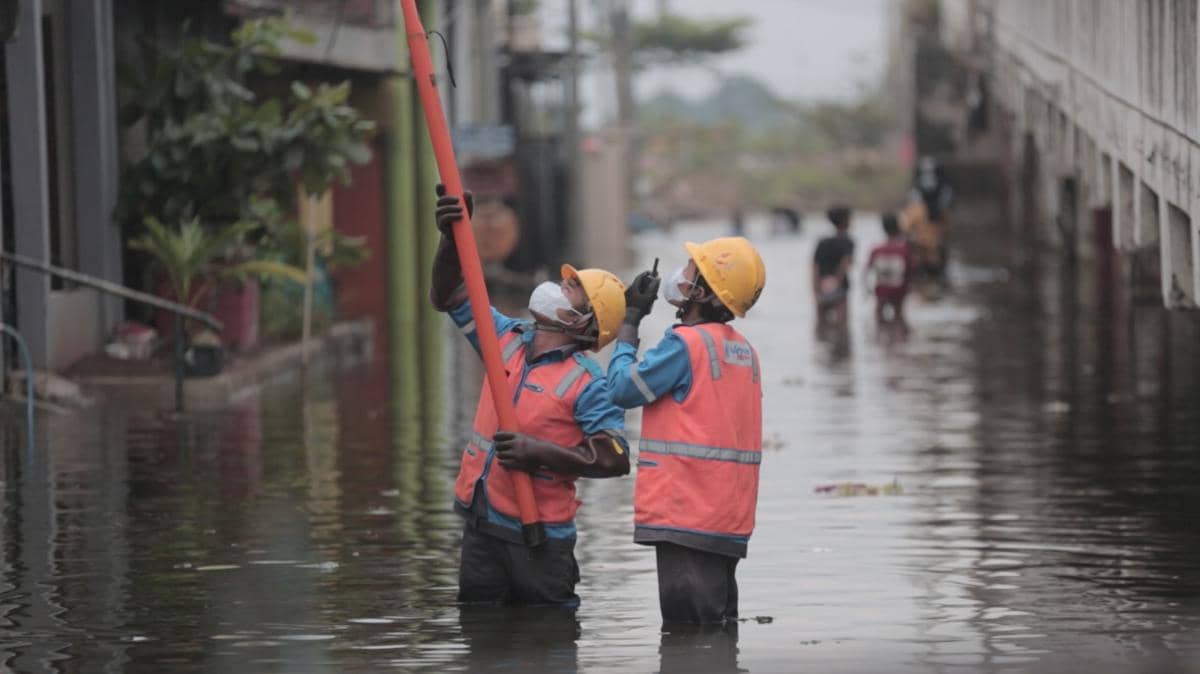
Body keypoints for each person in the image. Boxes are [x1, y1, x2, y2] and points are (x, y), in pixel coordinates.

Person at [430, 185, 631, 608]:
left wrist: (537, 452)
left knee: (546, 643)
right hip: (482, 525)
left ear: (581, 321)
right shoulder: (504, 338)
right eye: (566, 280)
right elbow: (447, 295)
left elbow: (613, 459)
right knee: (481, 639)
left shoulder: (588, 382)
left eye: (572, 289)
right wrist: (452, 240)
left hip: (540, 541)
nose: (560, 284)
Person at [607, 237, 766, 625]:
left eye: (693, 271)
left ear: (704, 292)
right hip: (726, 524)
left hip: (685, 519)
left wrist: (630, 322)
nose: (682, 275)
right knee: (716, 635)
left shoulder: (685, 345)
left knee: (690, 643)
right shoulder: (744, 352)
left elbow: (621, 389)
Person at [864, 212, 914, 330]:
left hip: (881, 289)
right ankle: (902, 342)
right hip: (899, 289)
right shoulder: (904, 249)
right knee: (899, 315)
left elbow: (867, 270)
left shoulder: (876, 249)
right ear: (898, 227)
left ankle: (880, 340)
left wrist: (867, 289)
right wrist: (910, 287)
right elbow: (911, 271)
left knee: (878, 316)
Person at [812, 205, 855, 328]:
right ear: (845, 221)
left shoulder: (822, 242)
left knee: (821, 326)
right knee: (842, 326)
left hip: (821, 286)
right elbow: (845, 263)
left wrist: (815, 290)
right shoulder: (848, 242)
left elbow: (815, 267)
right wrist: (836, 281)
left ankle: (822, 346)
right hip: (839, 288)